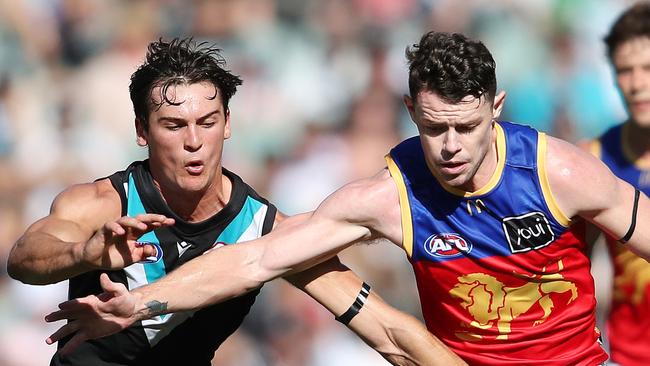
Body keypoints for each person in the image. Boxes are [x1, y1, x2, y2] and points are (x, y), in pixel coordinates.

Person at [44, 31, 650, 365]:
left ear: (497, 108)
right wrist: (140, 302)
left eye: (467, 127)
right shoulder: (387, 197)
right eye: (434, 127)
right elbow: (255, 257)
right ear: (411, 111)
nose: (450, 147)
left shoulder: (562, 172)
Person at [6, 37, 464, 366]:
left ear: (228, 123)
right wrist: (82, 254)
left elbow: (387, 331)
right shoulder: (104, 203)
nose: (193, 142)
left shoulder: (267, 230)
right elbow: (24, 259)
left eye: (207, 122)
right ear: (141, 132)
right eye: (172, 126)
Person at [579, 3, 650, 365]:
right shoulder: (593, 159)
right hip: (628, 357)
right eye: (625, 71)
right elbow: (570, 267)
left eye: (647, 69)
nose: (637, 84)